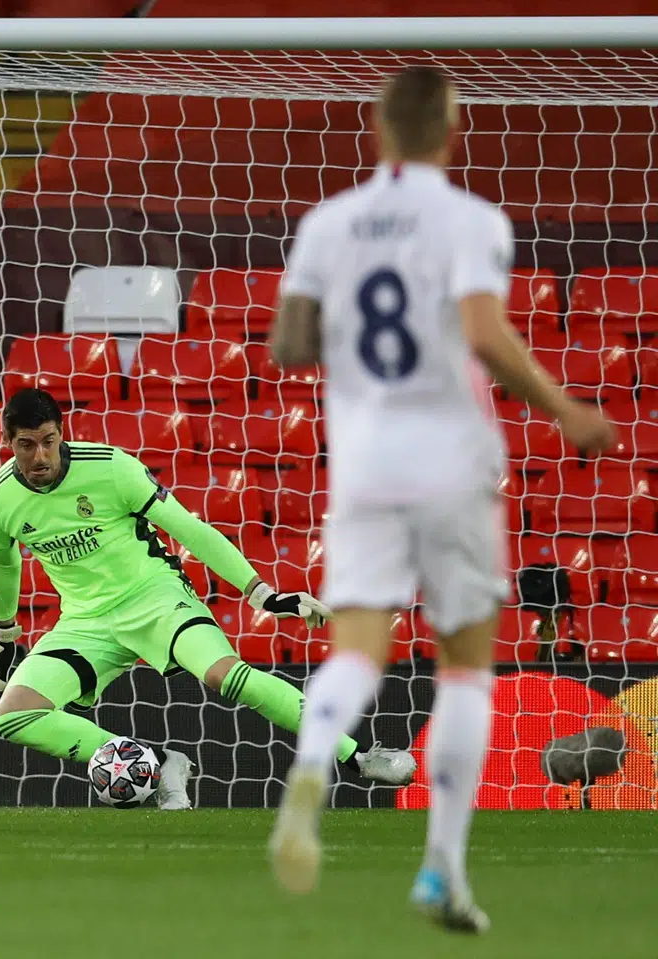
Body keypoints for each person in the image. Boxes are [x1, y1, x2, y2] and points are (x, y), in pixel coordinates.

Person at [265, 66, 616, 932]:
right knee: (463, 668)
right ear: (448, 130)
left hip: (366, 466)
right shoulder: (471, 221)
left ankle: (313, 761)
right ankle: (442, 872)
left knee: (356, 650)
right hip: (454, 467)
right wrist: (566, 408)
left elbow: (287, 343)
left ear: (376, 130)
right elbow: (484, 331)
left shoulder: (328, 224)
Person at [0, 388, 417, 810]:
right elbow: (2, 561)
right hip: (85, 621)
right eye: (26, 445)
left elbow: (191, 530)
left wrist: (262, 593)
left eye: (48, 441)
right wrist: (4, 631)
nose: (40, 456)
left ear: (63, 434)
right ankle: (159, 766)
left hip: (157, 599)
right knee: (12, 716)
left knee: (226, 676)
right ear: (8, 442)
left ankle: (357, 756)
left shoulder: (111, 468)